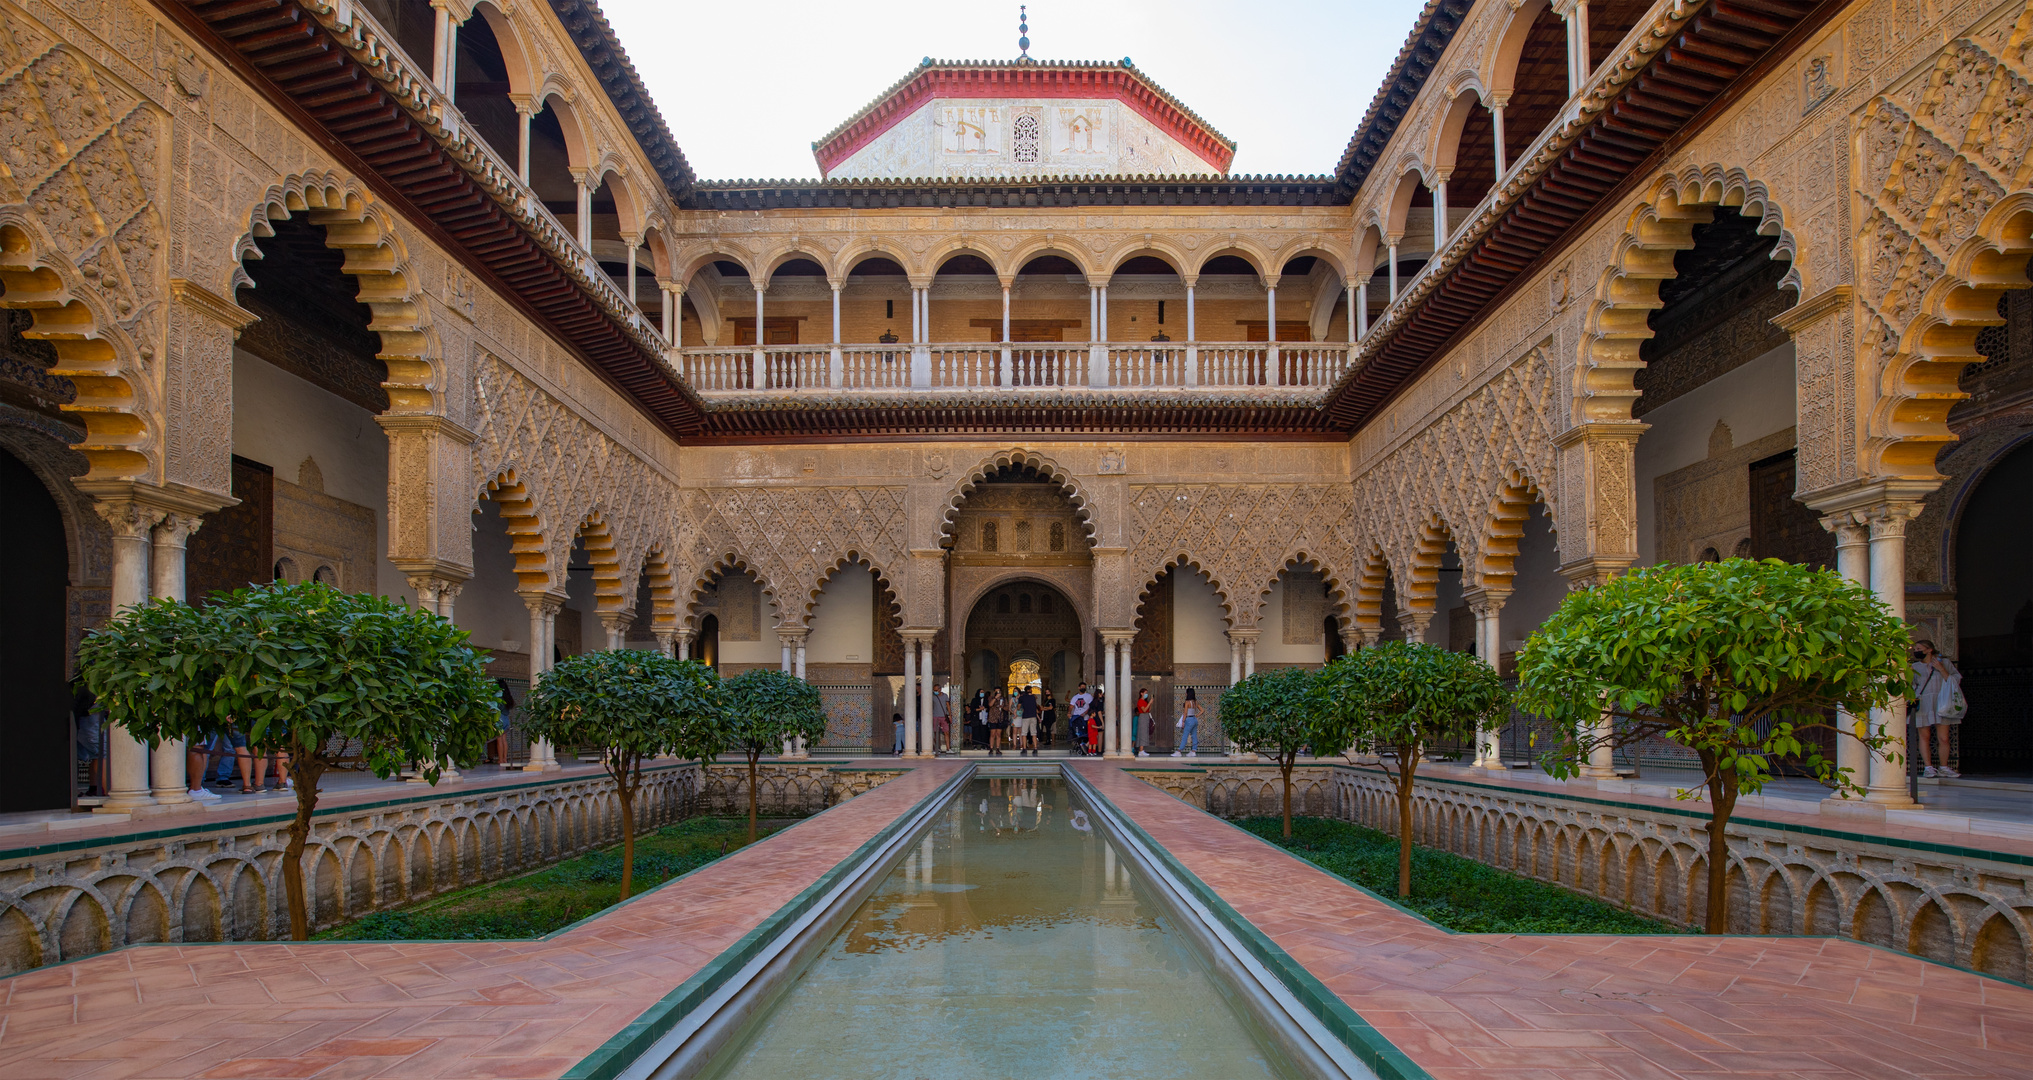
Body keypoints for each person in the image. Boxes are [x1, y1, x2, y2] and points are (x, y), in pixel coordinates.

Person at [1911, 639, 1962, 779]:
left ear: (1929, 650)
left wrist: (1941, 669)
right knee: (1924, 735)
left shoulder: (1944, 663)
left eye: (1919, 648)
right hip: (1923, 703)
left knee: (1944, 738)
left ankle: (1944, 767)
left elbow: (1955, 680)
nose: (1916, 651)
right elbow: (1910, 685)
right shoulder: (1914, 667)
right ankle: (1928, 767)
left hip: (1942, 703)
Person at [1173, 688, 1200, 757]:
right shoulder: (1195, 702)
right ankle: (1193, 751)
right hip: (1194, 719)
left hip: (1189, 719)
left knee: (1185, 736)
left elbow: (1185, 713)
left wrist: (1183, 721)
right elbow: (1202, 710)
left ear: (1188, 694)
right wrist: (1196, 716)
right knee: (1194, 736)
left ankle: (1179, 751)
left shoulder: (1187, 702)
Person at [1017, 686, 1040, 755]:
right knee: (1034, 733)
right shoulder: (1033, 697)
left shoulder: (1022, 697)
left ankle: (1024, 748)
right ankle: (1035, 748)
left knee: (1024, 733)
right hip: (1033, 716)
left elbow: (1018, 707)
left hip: (1026, 717)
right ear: (1030, 690)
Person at [988, 688, 1009, 756]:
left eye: (999, 691)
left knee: (998, 734)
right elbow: (990, 705)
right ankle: (991, 748)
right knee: (992, 733)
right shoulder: (991, 698)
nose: (998, 692)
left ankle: (997, 748)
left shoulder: (1004, 699)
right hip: (992, 718)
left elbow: (1007, 708)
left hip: (1000, 718)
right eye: (996, 691)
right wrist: (995, 698)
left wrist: (1002, 707)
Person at [1134, 688, 1153, 758]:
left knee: (1145, 733)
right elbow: (1144, 710)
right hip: (1142, 717)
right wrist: (1149, 703)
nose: (1146, 694)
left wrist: (1150, 704)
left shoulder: (1145, 701)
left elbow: (1148, 709)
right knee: (1142, 733)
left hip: (1146, 717)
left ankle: (1142, 750)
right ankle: (1141, 750)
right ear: (1141, 693)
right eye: (1145, 693)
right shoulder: (1140, 701)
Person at [932, 684, 951, 754]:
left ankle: (948, 748)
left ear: (940, 689)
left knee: (946, 732)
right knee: (936, 733)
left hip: (943, 716)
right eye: (934, 690)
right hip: (935, 716)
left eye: (936, 690)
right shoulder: (933, 697)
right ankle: (938, 748)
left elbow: (948, 706)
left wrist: (950, 715)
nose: (935, 691)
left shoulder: (945, 696)